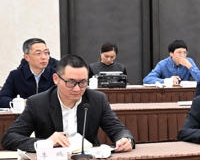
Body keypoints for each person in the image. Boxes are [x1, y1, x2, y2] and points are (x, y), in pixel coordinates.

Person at [1, 54, 134, 153]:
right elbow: (9, 138)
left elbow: (118, 130)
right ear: (56, 79)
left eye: (83, 82)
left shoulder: (97, 99)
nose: (77, 89)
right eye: (70, 82)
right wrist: (46, 143)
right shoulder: (38, 103)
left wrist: (125, 139)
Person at [0, 38, 58, 107]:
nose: (44, 57)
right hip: (25, 113)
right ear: (27, 57)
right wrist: (23, 103)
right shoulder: (16, 75)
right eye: (38, 53)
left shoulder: (57, 74)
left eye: (46, 53)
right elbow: (2, 99)